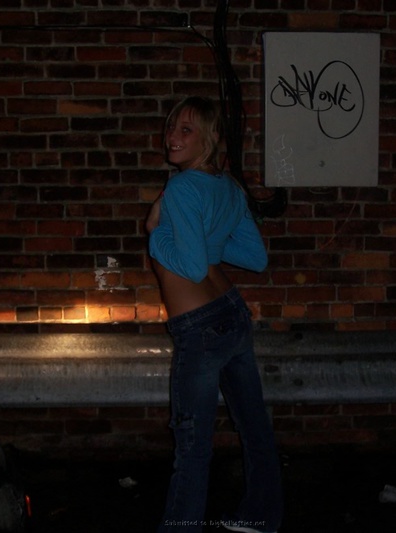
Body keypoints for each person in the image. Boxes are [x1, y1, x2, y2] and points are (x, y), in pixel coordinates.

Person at [146, 96, 283, 533]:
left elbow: (187, 267)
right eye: (171, 127)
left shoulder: (182, 188)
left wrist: (154, 233)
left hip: (201, 328)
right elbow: (255, 257)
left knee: (192, 446)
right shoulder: (229, 188)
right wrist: (206, 244)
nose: (172, 136)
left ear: (209, 138)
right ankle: (262, 516)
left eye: (186, 130)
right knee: (254, 429)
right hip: (232, 314)